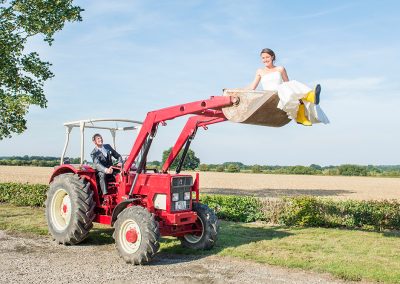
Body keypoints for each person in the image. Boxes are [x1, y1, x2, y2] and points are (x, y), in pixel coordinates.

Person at [248, 48, 329, 126]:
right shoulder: (260, 71)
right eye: (263, 58)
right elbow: (252, 87)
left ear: (272, 57)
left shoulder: (280, 69)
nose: (265, 59)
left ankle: (305, 109)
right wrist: (236, 92)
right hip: (269, 95)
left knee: (292, 86)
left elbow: (288, 83)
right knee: (288, 88)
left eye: (267, 57)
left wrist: (296, 94)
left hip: (281, 92)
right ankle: (310, 97)